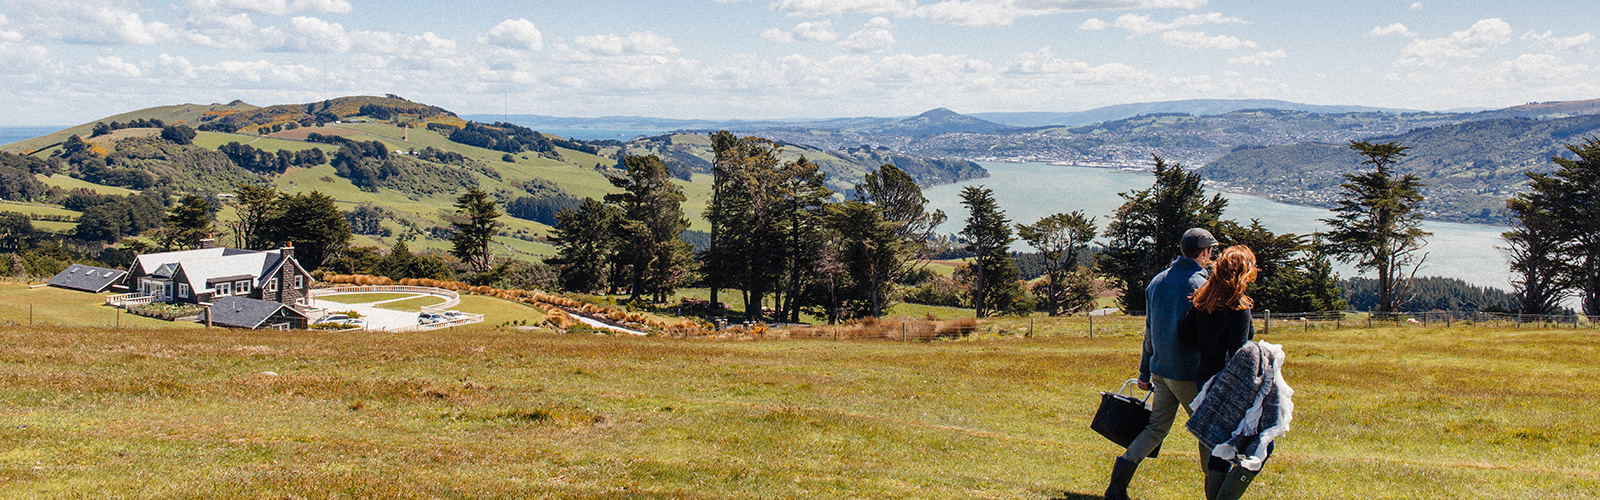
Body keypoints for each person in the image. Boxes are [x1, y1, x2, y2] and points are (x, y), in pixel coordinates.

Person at [1104, 228, 1216, 500]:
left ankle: (1116, 486)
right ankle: (1215, 492)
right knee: (1207, 432)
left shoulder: (1157, 282)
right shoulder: (1201, 285)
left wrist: (1144, 371)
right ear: (1203, 252)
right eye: (1211, 250)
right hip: (1188, 373)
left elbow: (1149, 331)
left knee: (1156, 428)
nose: (1211, 256)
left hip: (1160, 370)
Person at [1175, 245, 1260, 500]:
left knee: (1216, 442)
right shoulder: (1239, 307)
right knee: (1261, 442)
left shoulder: (1203, 299)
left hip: (1205, 377)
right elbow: (1238, 353)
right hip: (1229, 382)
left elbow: (1184, 333)